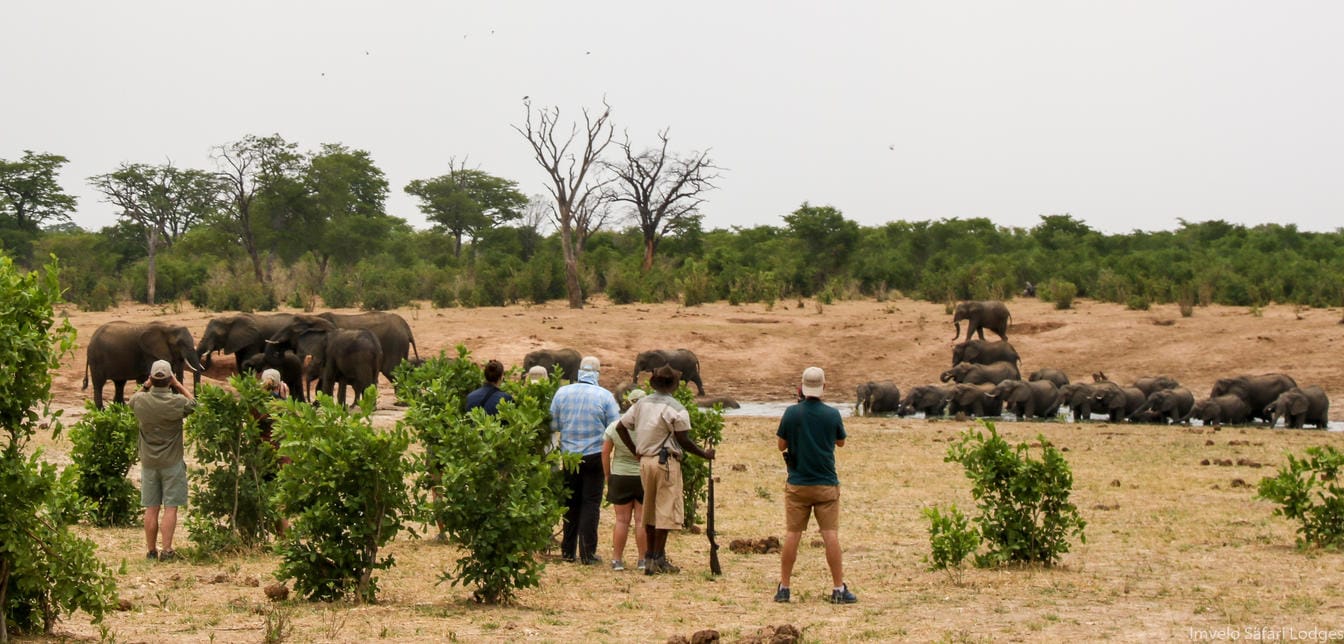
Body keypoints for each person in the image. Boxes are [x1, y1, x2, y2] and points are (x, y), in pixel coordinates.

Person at [614, 365, 715, 575]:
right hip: (665, 462)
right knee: (665, 511)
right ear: (674, 385)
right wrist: (704, 454)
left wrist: (636, 451)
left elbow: (621, 427)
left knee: (648, 510)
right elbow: (683, 440)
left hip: (645, 462)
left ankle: (650, 556)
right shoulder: (676, 408)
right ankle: (658, 558)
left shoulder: (641, 404)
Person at [773, 366, 856, 604]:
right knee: (830, 535)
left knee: (792, 534)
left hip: (798, 484)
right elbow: (840, 442)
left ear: (801, 387)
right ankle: (838, 588)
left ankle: (785, 587)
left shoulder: (791, 413)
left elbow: (781, 445)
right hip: (826, 484)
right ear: (824, 387)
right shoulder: (832, 414)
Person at [549, 355, 621, 564]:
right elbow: (615, 427)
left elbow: (553, 424)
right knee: (590, 504)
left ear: (579, 371)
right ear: (597, 373)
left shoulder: (562, 393)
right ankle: (588, 553)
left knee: (571, 503)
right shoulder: (605, 396)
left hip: (570, 457)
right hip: (595, 457)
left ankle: (567, 551)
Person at [128, 359, 196, 562]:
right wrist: (178, 384)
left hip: (149, 462)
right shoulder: (176, 402)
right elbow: (194, 404)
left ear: (151, 378)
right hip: (172, 462)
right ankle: (167, 550)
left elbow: (132, 400)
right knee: (171, 507)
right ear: (169, 379)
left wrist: (145, 385)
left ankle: (150, 551)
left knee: (151, 507)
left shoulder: (141, 401)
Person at [602, 388, 648, 571]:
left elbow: (605, 452)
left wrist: (607, 475)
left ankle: (617, 560)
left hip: (620, 475)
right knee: (640, 520)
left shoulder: (615, 426)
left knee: (621, 520)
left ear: (628, 404)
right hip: (643, 476)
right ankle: (642, 559)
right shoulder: (649, 427)